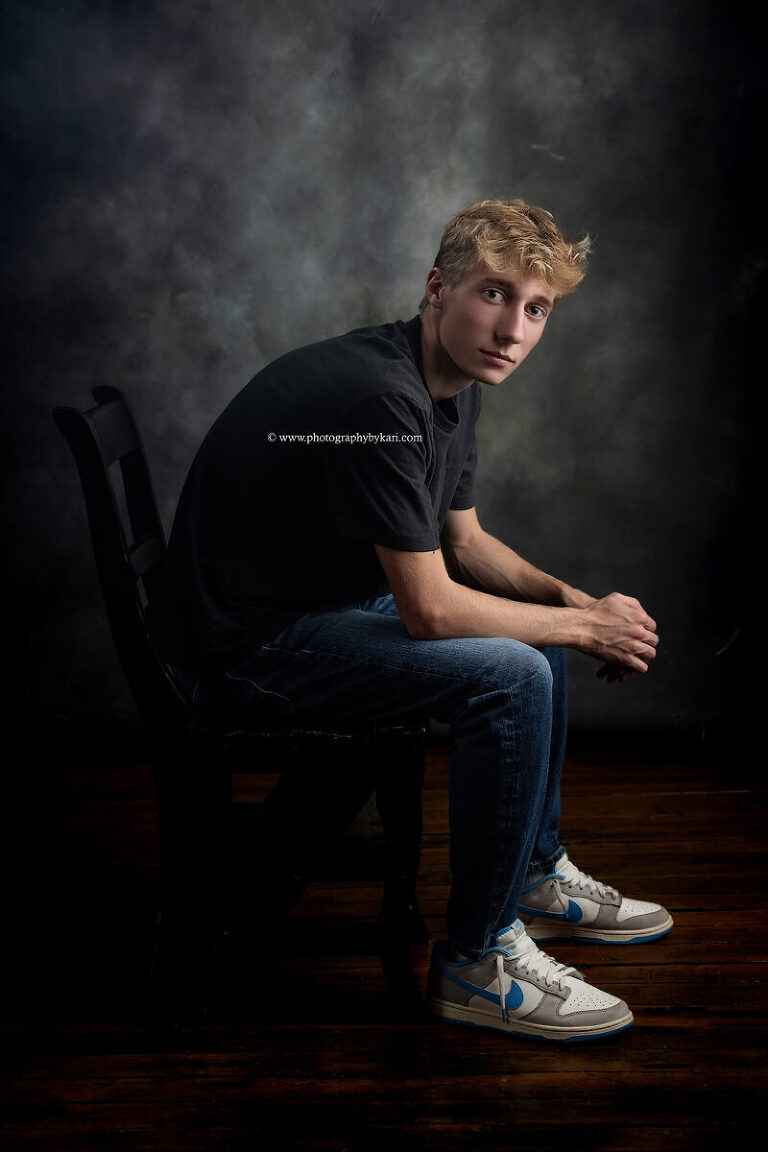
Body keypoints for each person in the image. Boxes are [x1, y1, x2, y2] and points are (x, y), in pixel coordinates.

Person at [158, 198, 672, 1042]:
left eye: (536, 308)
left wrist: (568, 602)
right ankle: (477, 962)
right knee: (514, 668)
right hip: (241, 642)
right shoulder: (381, 397)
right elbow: (430, 610)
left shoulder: (452, 381)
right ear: (439, 289)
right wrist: (582, 633)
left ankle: (531, 877)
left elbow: (462, 540)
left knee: (532, 640)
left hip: (295, 604)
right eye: (494, 294)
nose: (513, 328)